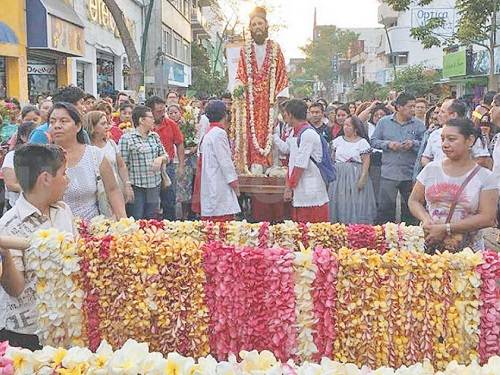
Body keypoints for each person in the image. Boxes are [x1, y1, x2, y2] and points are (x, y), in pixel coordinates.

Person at [0, 144, 74, 350]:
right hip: (25, 334)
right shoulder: (8, 227)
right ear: (46, 179)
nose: (67, 181)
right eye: (64, 173)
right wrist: (5, 254)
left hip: (61, 328)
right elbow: (15, 289)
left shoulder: (63, 210)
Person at [409, 118, 498, 252]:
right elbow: (414, 200)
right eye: (443, 139)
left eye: (451, 139)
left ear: (470, 140)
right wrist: (426, 219)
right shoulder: (431, 169)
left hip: (467, 253)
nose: (445, 144)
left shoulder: (485, 177)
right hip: (430, 244)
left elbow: (488, 218)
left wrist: (447, 228)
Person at [234, 6, 289, 174]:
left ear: (266, 26)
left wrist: (280, 104)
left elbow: (282, 76)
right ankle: (251, 164)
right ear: (250, 28)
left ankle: (271, 164)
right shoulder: (245, 50)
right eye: (254, 24)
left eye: (260, 23)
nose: (257, 27)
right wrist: (238, 89)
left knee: (270, 132)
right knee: (249, 132)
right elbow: (240, 75)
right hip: (250, 103)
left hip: (269, 102)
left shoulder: (275, 48)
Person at [49, 102, 126, 221]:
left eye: (64, 121)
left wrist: (123, 220)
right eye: (52, 122)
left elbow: (113, 190)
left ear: (78, 126)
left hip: (91, 230)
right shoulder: (42, 158)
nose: (57, 126)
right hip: (54, 233)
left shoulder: (95, 155)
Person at [371, 92, 425, 224]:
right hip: (389, 173)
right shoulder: (384, 122)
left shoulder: (418, 124)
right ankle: (384, 237)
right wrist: (388, 144)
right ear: (399, 107)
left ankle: (409, 238)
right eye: (410, 106)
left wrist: (413, 144)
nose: (413, 110)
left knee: (410, 210)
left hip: (410, 174)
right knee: (385, 209)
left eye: (414, 106)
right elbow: (373, 141)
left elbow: (425, 144)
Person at [275, 99, 329, 223]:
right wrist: (273, 136)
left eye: (285, 114)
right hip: (300, 187)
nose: (284, 117)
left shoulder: (307, 134)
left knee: (313, 228)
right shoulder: (295, 132)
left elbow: (300, 165)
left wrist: (289, 187)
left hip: (310, 188)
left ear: (290, 115)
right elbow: (287, 150)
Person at [193, 100, 240, 221]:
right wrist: (234, 184)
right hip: (218, 186)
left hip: (210, 182)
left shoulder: (209, 133)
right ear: (225, 115)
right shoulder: (219, 134)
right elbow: (226, 163)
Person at [119, 105, 169, 219]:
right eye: (150, 117)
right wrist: (127, 186)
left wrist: (160, 159)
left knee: (151, 216)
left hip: (154, 184)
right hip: (136, 186)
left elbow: (166, 156)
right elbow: (122, 165)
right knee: (137, 216)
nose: (153, 120)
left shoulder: (154, 136)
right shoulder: (127, 138)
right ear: (141, 120)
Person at [421, 99, 492, 169]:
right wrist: (435, 170)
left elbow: (482, 159)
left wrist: (458, 170)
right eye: (443, 139)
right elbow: (425, 158)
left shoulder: (471, 134)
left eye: (442, 112)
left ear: (454, 115)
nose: (438, 115)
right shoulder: (434, 134)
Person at [329, 116, 376, 224]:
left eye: (348, 125)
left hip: (355, 174)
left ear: (355, 128)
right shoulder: (338, 141)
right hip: (339, 175)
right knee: (340, 200)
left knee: (355, 201)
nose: (345, 127)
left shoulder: (362, 143)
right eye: (344, 125)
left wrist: (363, 178)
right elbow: (332, 158)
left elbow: (366, 162)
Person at [145, 96, 185, 220]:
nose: (162, 114)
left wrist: (181, 165)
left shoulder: (171, 124)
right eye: (158, 112)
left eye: (163, 111)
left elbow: (179, 143)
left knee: (169, 201)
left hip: (168, 167)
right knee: (151, 204)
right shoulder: (145, 126)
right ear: (150, 111)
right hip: (149, 169)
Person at [82, 111, 134, 204]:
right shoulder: (85, 148)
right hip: (96, 195)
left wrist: (127, 185)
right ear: (92, 127)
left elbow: (121, 166)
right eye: (102, 124)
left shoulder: (111, 144)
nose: (107, 126)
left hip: (116, 189)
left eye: (107, 123)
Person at [168, 104, 196, 220]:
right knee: (172, 191)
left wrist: (191, 149)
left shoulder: (187, 125)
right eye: (171, 113)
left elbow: (194, 142)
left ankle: (185, 215)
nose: (173, 115)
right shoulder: (167, 126)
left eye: (176, 112)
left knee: (185, 190)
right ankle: (173, 215)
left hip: (185, 162)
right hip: (171, 162)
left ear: (180, 113)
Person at [1, 122, 37, 209]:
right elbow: (11, 185)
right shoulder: (12, 156)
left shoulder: (45, 155)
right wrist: (36, 191)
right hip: (17, 207)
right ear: (23, 136)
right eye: (34, 134)